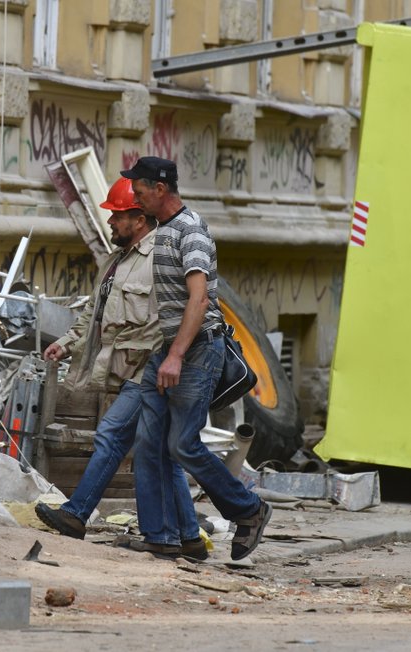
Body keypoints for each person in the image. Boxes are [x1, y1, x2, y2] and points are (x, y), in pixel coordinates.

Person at [34, 177, 206, 560]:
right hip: (130, 370)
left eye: (117, 216)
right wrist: (66, 343)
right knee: (161, 451)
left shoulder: (162, 257)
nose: (110, 223)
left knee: (111, 434)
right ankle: (189, 536)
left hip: (150, 369)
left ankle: (77, 514)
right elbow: (95, 313)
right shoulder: (117, 261)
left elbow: (175, 318)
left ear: (139, 218)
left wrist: (168, 361)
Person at [121, 156, 272, 561]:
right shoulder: (164, 229)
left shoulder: (191, 232)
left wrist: (175, 356)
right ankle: (163, 536)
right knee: (149, 442)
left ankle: (250, 510)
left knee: (183, 444)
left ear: (160, 189)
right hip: (169, 350)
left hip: (195, 350)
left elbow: (199, 299)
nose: (135, 198)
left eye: (140, 190)